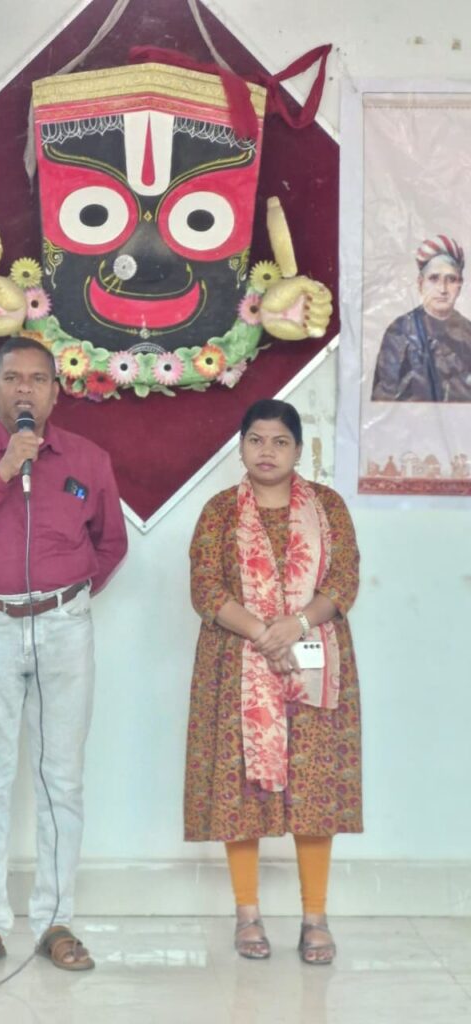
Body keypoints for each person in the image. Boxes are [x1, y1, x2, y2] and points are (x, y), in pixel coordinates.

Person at [0, 337, 127, 974]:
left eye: (38, 379)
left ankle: (55, 921)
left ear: (55, 393)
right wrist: (4, 471)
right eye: (12, 378)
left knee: (60, 779)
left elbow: (111, 544)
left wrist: (66, 598)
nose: (24, 389)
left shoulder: (89, 459)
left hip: (65, 628)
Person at [184, 399, 362, 965]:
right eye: (256, 440)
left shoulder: (328, 507)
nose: (267, 451)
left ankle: (315, 918)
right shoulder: (219, 512)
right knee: (241, 792)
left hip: (316, 665)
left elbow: (345, 579)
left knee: (315, 789)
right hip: (235, 665)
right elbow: (206, 589)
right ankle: (248, 915)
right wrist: (266, 633)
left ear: (297, 449)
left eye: (280, 441)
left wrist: (297, 624)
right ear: (241, 447)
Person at [371, 234, 471, 402]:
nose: (442, 289)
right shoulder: (399, 332)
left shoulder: (468, 332)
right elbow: (384, 400)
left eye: (451, 279)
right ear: (420, 283)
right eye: (434, 278)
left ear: (460, 285)